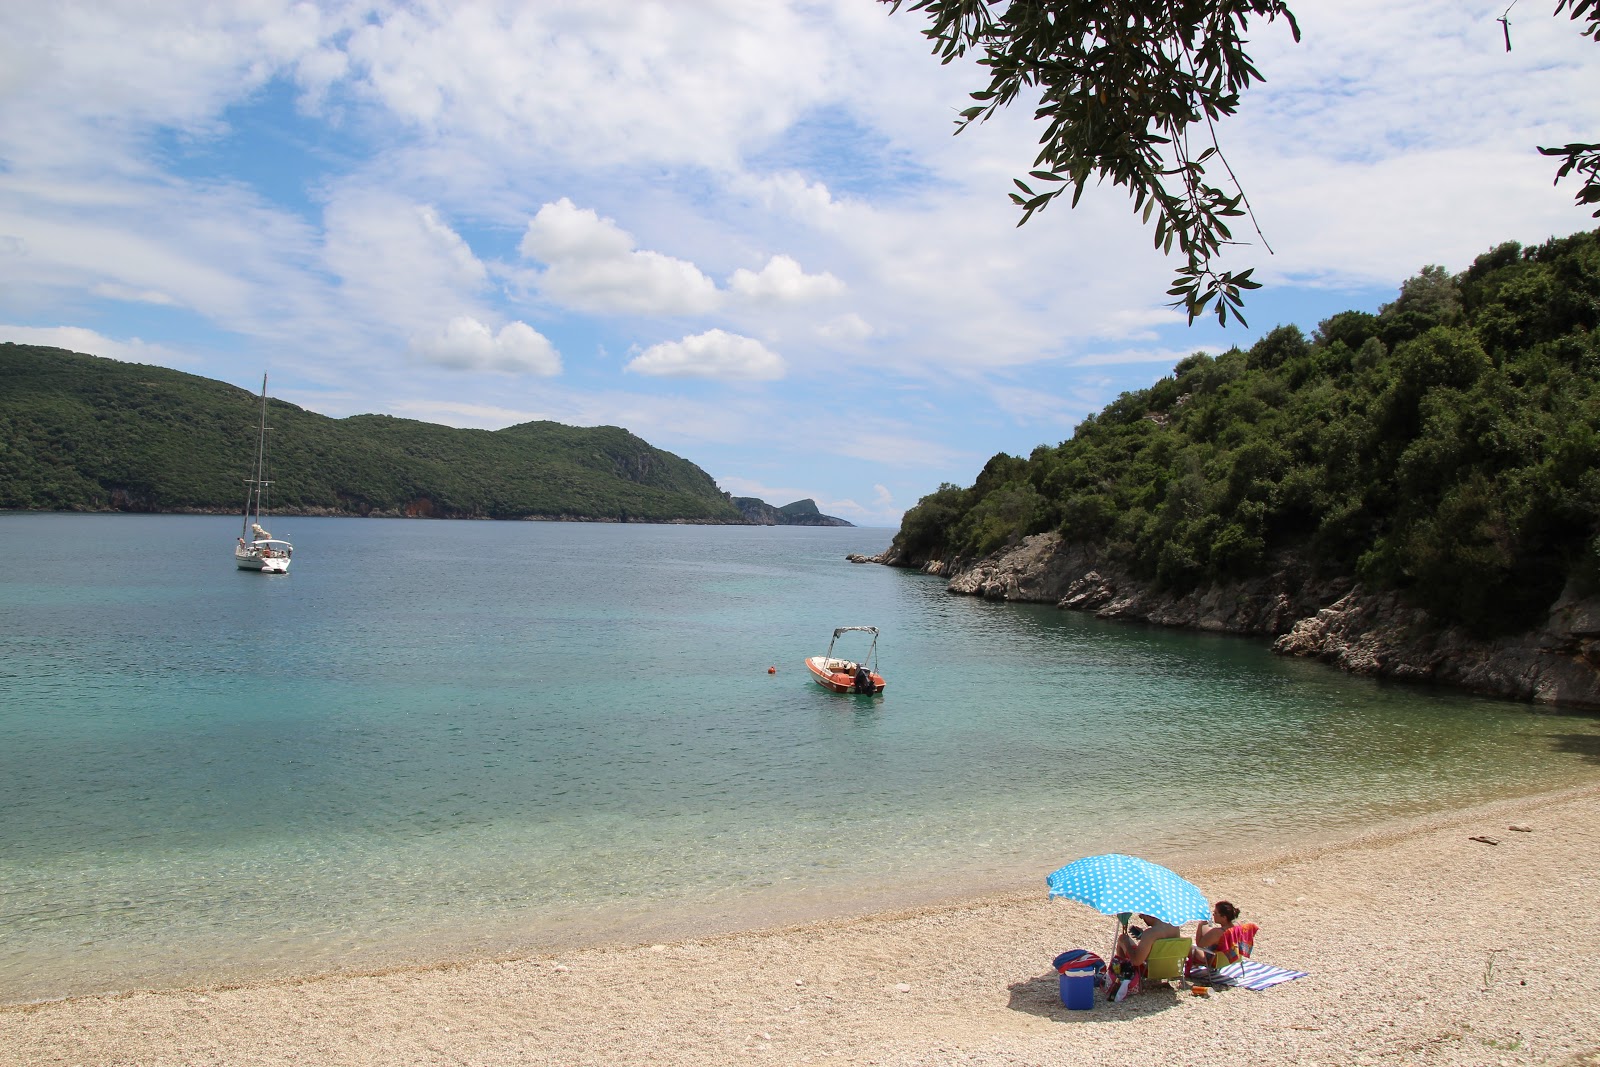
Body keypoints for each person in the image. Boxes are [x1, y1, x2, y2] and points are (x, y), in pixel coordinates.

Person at [1114, 912, 1180, 969]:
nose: (1141, 917)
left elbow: (1136, 961)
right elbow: (1164, 947)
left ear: (1151, 914)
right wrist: (1144, 937)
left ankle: (1122, 972)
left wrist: (1126, 943)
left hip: (1150, 970)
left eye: (1143, 914)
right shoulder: (1175, 926)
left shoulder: (1150, 934)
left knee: (1122, 939)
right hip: (1171, 969)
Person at [1189, 900, 1241, 968]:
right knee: (1207, 928)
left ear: (1224, 917)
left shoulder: (1217, 932)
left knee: (1187, 944)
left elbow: (1199, 945)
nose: (1213, 914)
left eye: (1215, 913)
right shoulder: (1238, 925)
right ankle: (1208, 921)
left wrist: (1200, 924)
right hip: (1230, 956)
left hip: (1213, 960)